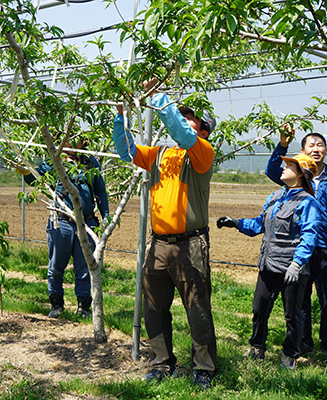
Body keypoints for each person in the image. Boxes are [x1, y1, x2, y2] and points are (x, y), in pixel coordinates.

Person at [112, 78, 218, 389]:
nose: (182, 121)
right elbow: (126, 150)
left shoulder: (201, 153)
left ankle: (204, 367)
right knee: (153, 307)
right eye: (180, 115)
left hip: (190, 245)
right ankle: (162, 362)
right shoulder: (159, 155)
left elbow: (183, 134)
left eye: (190, 118)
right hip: (157, 244)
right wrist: (120, 117)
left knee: (197, 308)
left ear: (202, 129)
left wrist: (159, 96)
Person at [217, 154, 321, 370]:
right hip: (268, 263)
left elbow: (309, 235)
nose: (283, 168)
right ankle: (257, 348)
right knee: (259, 307)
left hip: (291, 268)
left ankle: (290, 354)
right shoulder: (275, 197)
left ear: (301, 173)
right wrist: (236, 223)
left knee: (292, 315)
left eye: (290, 165)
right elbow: (260, 223)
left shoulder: (307, 202)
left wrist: (297, 263)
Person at [265, 130, 327, 365]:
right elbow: (272, 171)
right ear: (302, 151)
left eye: (320, 145)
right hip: (300, 247)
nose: (316, 149)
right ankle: (304, 343)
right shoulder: (296, 176)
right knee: (300, 300)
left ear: (326, 150)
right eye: (311, 145)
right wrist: (282, 144)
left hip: (326, 246)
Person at [19, 141, 110, 319]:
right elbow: (32, 178)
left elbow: (100, 190)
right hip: (61, 222)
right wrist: (22, 168)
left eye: (76, 139)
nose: (72, 142)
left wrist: (106, 215)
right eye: (67, 139)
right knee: (56, 266)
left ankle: (83, 307)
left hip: (86, 222)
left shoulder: (90, 162)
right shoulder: (55, 160)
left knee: (84, 267)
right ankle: (56, 305)